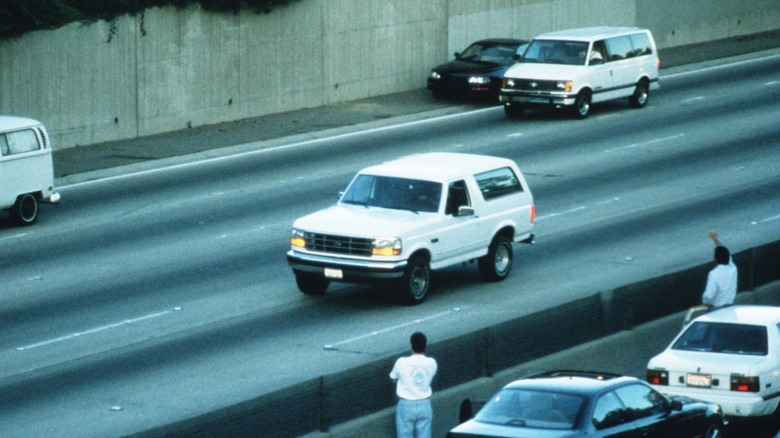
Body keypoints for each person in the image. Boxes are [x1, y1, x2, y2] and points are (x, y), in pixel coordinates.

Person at [389, 332, 438, 438]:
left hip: (406, 405)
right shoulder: (432, 363)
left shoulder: (401, 362)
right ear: (425, 346)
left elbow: (393, 378)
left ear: (411, 345)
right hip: (425, 404)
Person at [701, 230, 738, 309]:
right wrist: (715, 239)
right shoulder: (733, 268)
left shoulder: (713, 274)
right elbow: (723, 252)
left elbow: (708, 295)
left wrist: (705, 302)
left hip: (717, 309)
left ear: (715, 259)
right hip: (731, 308)